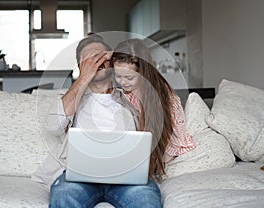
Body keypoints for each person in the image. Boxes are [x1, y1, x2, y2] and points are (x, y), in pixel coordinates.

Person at [43, 34, 162, 208]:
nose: (96, 63)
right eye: (89, 60)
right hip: (80, 177)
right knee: (64, 196)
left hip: (127, 177)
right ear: (80, 66)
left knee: (145, 199)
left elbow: (156, 95)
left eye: (101, 56)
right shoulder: (71, 98)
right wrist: (84, 76)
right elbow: (53, 126)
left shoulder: (131, 96)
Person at [111, 38, 195, 180]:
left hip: (161, 157)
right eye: (118, 76)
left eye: (129, 78)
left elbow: (173, 141)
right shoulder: (123, 94)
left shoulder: (164, 97)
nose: (123, 82)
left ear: (144, 72)